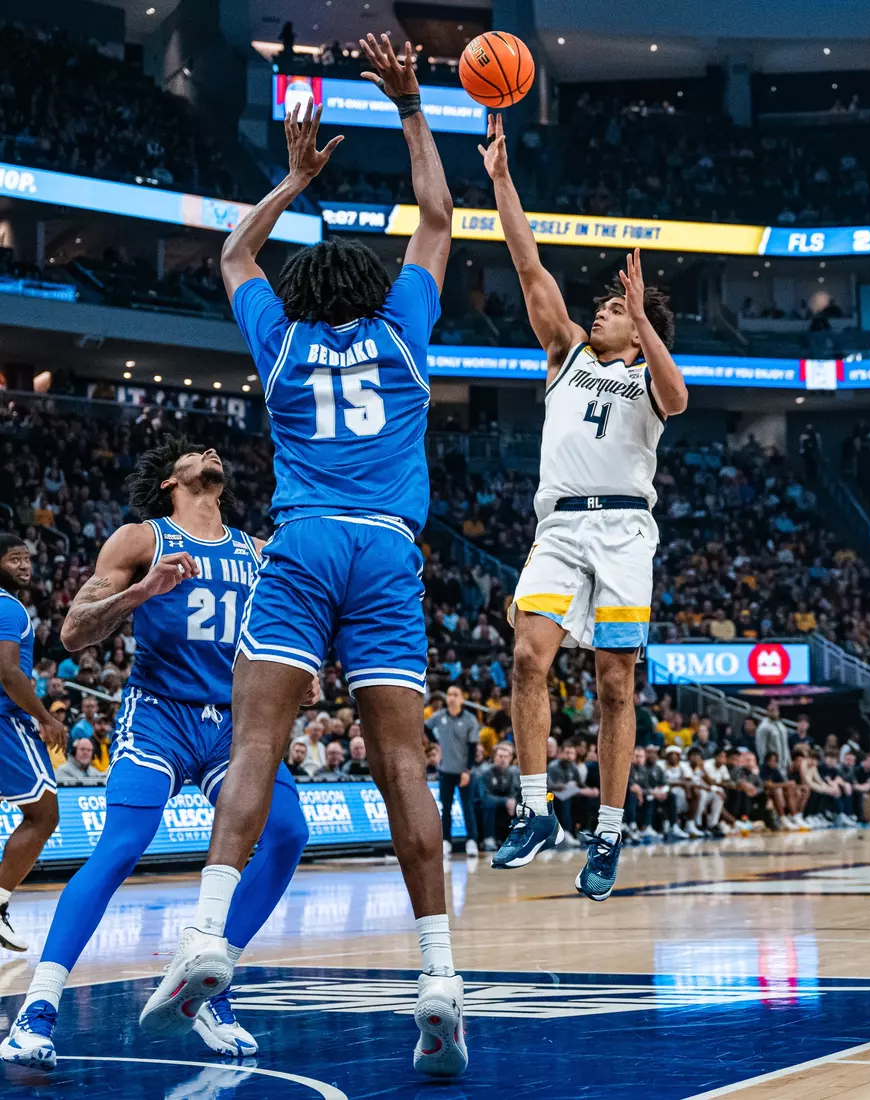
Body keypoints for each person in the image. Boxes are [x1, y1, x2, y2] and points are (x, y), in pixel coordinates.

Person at [145, 38, 465, 1079]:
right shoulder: (407, 327)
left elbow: (235, 254)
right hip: (385, 552)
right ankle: (438, 976)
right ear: (373, 289)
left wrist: (291, 176)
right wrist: (412, 108)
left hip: (303, 541)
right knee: (403, 765)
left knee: (255, 747)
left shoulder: (279, 340)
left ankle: (204, 934)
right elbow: (437, 219)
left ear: (307, 288)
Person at [2, 440, 314, 1068]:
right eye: (195, 452)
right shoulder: (140, 538)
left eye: (213, 450)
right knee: (121, 848)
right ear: (173, 481)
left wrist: (302, 670)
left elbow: (284, 633)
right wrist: (142, 591)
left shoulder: (257, 552)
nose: (211, 451)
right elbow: (73, 630)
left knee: (288, 834)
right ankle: (36, 1010)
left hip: (234, 722)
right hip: (159, 715)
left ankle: (207, 982)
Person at [478, 113, 687, 902]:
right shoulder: (564, 355)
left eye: (613, 308)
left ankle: (607, 832)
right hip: (560, 524)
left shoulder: (646, 378)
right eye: (601, 304)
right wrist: (502, 181)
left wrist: (645, 317)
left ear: (636, 331)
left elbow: (678, 394)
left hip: (627, 528)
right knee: (529, 656)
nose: (599, 309)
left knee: (613, 682)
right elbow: (529, 266)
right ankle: (535, 813)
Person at [0, 535, 66, 952]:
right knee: (43, 813)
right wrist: (44, 717)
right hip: (7, 721)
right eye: (13, 559)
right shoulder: (8, 606)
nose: (25, 566)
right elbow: (8, 672)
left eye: (27, 558)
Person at [425, 686, 480, 857]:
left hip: (463, 771)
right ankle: (446, 841)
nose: (452, 698)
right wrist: (435, 742)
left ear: (462, 699)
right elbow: (425, 727)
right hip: (445, 770)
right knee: (446, 808)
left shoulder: (470, 720)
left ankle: (471, 841)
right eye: (449, 694)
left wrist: (467, 770)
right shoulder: (439, 717)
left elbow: (473, 748)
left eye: (456, 694)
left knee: (467, 807)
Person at [476, 743, 519, 851]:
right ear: (494, 757)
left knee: (519, 804)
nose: (503, 760)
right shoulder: (485, 773)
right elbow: (484, 797)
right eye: (500, 756)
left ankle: (515, 838)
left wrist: (512, 801)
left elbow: (512, 794)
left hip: (503, 808)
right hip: (483, 807)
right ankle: (488, 838)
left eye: (506, 757)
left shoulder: (511, 774)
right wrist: (506, 801)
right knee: (489, 804)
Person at [755, 701, 791, 772]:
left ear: (778, 711)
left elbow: (785, 745)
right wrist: (766, 763)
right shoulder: (763, 727)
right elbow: (761, 747)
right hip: (771, 764)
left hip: (783, 764)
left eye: (775, 710)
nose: (773, 713)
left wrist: (789, 761)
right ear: (767, 712)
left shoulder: (781, 726)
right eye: (771, 710)